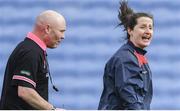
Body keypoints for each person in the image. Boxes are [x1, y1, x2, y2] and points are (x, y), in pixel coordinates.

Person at [0, 10, 66, 110]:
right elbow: (25, 91)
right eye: (61, 31)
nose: (63, 36)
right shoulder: (30, 52)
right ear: (47, 28)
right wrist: (52, 109)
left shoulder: (32, 49)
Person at [98, 0, 153, 110]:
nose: (148, 31)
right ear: (130, 30)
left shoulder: (136, 56)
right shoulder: (126, 59)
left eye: (150, 27)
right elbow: (131, 101)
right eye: (143, 27)